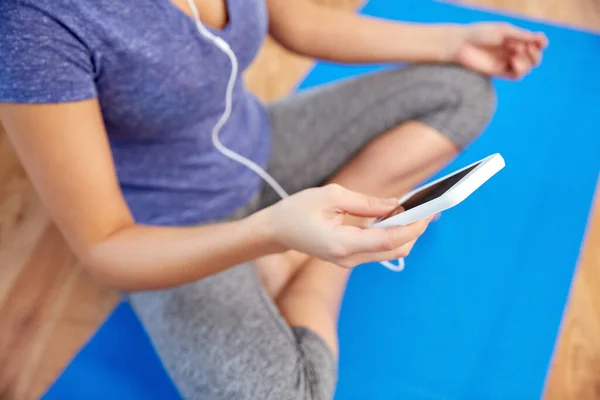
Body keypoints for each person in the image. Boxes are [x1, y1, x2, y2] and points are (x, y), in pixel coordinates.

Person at [0, 0, 546, 398]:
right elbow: (103, 248)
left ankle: (314, 252)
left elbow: (295, 21)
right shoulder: (32, 23)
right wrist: (273, 234)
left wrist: (453, 42)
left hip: (258, 141)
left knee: (463, 91)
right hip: (173, 228)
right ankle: (320, 264)